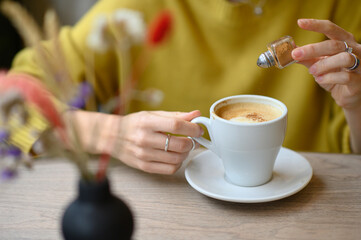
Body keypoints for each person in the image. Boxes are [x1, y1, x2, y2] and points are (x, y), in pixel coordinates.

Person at [3, 0, 361, 175]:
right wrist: (108, 133)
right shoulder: (136, 9)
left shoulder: (340, 11)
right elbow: (8, 112)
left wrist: (357, 102)